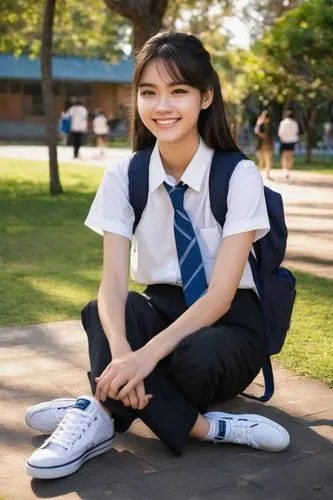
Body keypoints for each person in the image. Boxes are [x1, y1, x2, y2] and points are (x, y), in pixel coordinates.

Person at [25, 31, 290, 480]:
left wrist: (143, 359)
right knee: (103, 312)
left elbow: (222, 294)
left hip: (227, 326)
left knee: (191, 360)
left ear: (205, 97)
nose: (162, 106)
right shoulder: (124, 176)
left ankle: (95, 405)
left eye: (178, 91)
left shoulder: (238, 175)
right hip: (162, 307)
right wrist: (124, 353)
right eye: (148, 92)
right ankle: (205, 427)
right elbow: (112, 283)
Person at [278, 109, 299, 178]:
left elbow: (280, 133)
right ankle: (289, 170)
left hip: (284, 141)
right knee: (290, 156)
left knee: (284, 156)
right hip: (292, 141)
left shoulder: (283, 123)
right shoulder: (295, 123)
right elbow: (296, 132)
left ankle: (285, 170)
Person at [255, 110, 274, 180]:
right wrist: (258, 124)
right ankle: (258, 175)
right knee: (260, 160)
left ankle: (267, 174)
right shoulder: (259, 124)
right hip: (261, 145)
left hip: (268, 144)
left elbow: (272, 135)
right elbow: (256, 132)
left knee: (268, 160)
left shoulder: (271, 125)